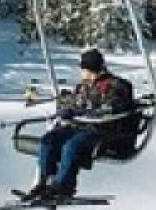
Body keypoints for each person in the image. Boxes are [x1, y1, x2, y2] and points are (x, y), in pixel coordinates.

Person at [26, 48, 135, 200]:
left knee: (72, 146)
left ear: (90, 69)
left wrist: (85, 113)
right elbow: (72, 104)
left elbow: (113, 107)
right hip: (79, 127)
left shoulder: (117, 86)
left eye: (83, 69)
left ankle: (64, 186)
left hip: (102, 130)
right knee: (49, 140)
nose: (81, 73)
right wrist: (65, 109)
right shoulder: (82, 87)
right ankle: (46, 181)